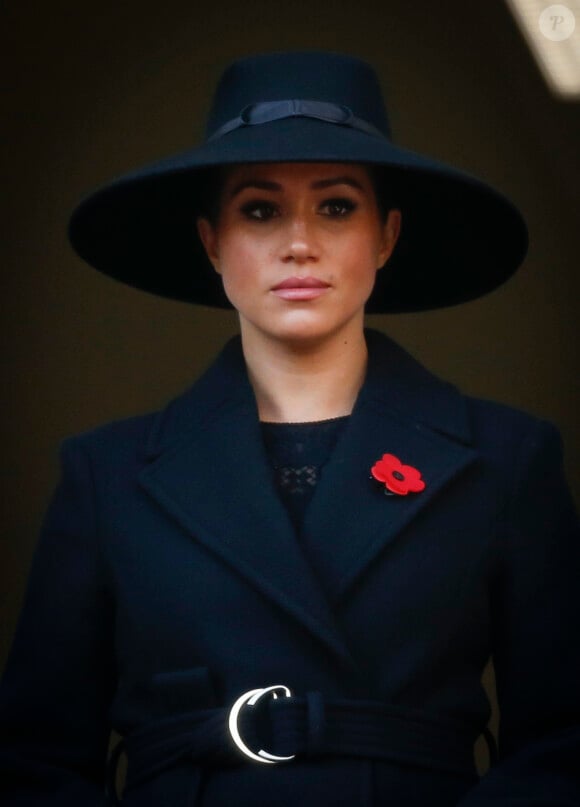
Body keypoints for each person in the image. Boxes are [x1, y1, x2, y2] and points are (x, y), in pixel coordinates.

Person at [1, 50, 579, 807]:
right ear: (212, 241)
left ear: (387, 236)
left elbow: (564, 749)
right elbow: (32, 765)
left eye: (336, 205)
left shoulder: (508, 461)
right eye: (259, 208)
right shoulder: (105, 476)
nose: (298, 241)